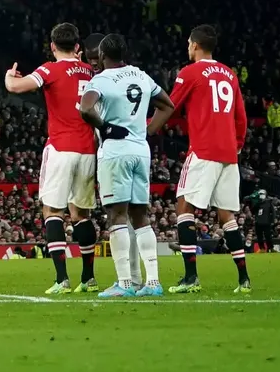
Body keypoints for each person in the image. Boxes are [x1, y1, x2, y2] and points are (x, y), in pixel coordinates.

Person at [149, 24, 251, 294]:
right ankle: (244, 279)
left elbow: (169, 106)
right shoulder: (229, 74)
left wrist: (145, 127)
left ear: (194, 45)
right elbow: (241, 116)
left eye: (188, 44)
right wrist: (237, 145)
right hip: (229, 153)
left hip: (204, 150)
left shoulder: (190, 72)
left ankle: (191, 277)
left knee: (184, 209)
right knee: (227, 214)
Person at [3, 21, 100, 294]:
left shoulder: (50, 68)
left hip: (60, 147)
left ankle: (62, 280)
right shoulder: (91, 71)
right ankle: (89, 278)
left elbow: (17, 87)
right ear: (78, 47)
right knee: (81, 214)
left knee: (52, 212)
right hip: (87, 150)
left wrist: (9, 76)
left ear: (53, 46)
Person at [77, 33, 165, 298]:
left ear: (103, 55)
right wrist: (147, 131)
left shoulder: (100, 80)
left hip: (116, 153)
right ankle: (153, 283)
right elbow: (168, 105)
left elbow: (85, 108)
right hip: (141, 150)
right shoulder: (141, 76)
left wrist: (105, 127)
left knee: (116, 216)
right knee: (141, 216)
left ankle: (124, 283)